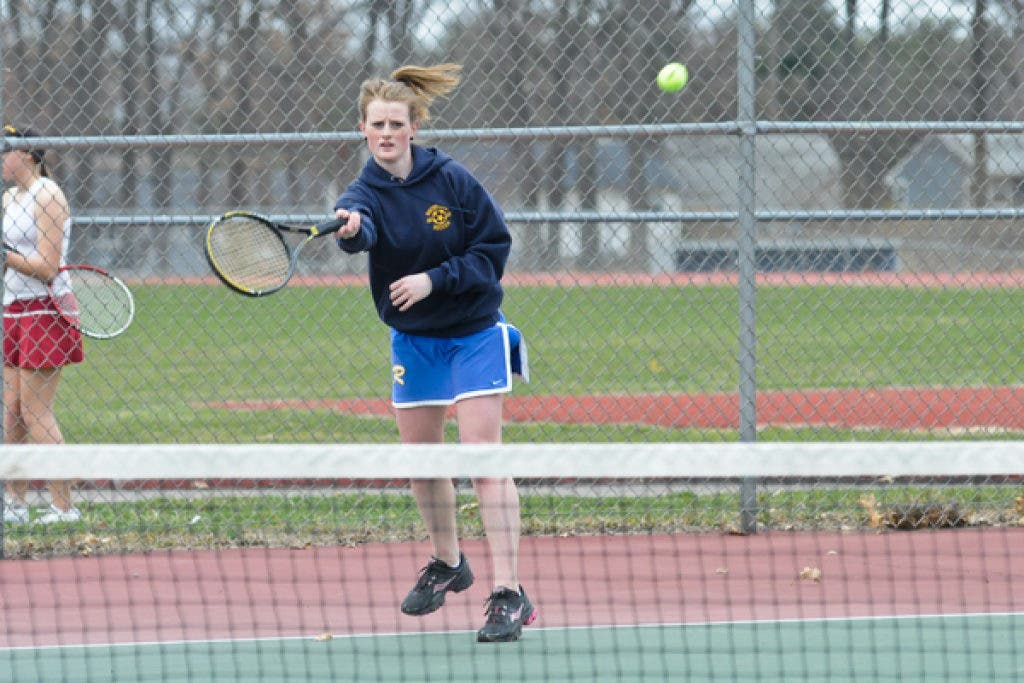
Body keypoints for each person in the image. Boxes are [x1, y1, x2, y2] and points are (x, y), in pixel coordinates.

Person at [332, 64, 535, 643]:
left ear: (414, 126)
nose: (387, 132)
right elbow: (363, 227)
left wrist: (432, 280)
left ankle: (508, 592)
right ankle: (448, 562)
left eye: (397, 122)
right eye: (377, 124)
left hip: (474, 333)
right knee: (423, 464)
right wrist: (353, 230)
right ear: (363, 130)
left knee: (483, 461)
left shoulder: (454, 181)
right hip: (414, 342)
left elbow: (493, 248)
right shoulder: (361, 193)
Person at [2, 124, 83, 525]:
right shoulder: (9, 198)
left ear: (29, 156)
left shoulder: (47, 194)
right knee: (12, 411)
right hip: (13, 309)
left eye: (6, 152)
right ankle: (15, 505)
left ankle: (64, 507)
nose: (1, 159)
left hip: (45, 311)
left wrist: (5, 258)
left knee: (36, 412)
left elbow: (49, 268)